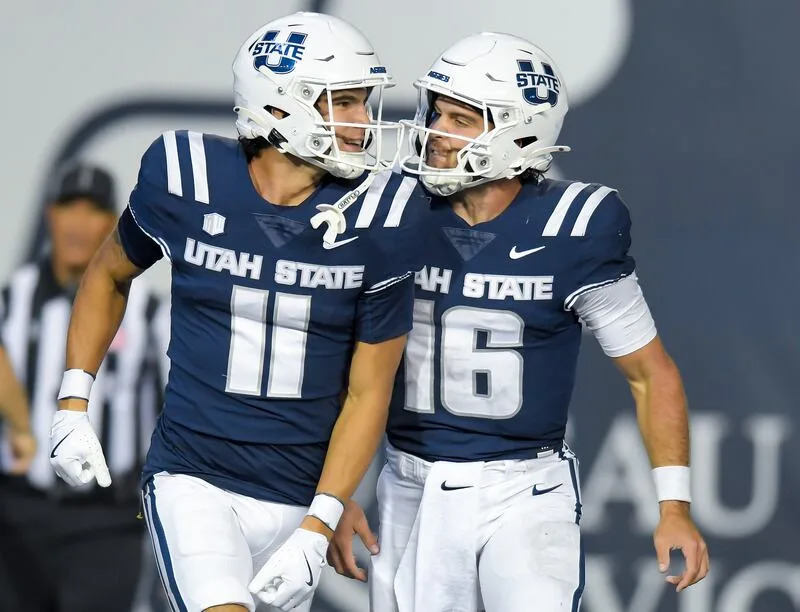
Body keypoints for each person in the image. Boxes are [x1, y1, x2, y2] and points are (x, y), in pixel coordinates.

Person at [49, 11, 429, 612]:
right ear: (280, 107)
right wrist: (73, 401)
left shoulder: (382, 216)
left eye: (363, 102)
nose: (363, 122)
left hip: (300, 499)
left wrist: (322, 517)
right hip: (195, 479)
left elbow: (369, 391)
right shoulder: (186, 176)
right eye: (346, 103)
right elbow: (108, 274)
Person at [328, 32, 710, 611]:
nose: (436, 132)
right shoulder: (389, 208)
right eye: (437, 112)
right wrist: (331, 497)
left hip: (523, 491)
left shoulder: (576, 226)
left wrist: (674, 506)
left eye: (461, 118)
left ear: (518, 132)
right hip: (411, 484)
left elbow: (649, 374)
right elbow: (336, 360)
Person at [0, 163, 167, 611]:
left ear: (111, 222)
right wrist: (18, 425)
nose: (78, 222)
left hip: (106, 521)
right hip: (17, 517)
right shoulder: (12, 299)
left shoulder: (150, 312)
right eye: (68, 207)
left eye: (92, 210)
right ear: (50, 215)